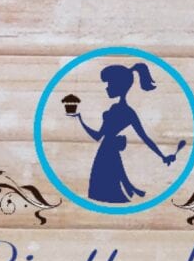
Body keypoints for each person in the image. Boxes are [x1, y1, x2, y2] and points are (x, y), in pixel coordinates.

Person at [71, 62, 176, 206]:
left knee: (107, 192)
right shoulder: (115, 108)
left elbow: (144, 137)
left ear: (118, 86)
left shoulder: (128, 112)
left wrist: (162, 156)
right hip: (104, 153)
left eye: (109, 84)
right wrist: (80, 120)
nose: (107, 87)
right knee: (103, 192)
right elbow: (98, 136)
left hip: (107, 153)